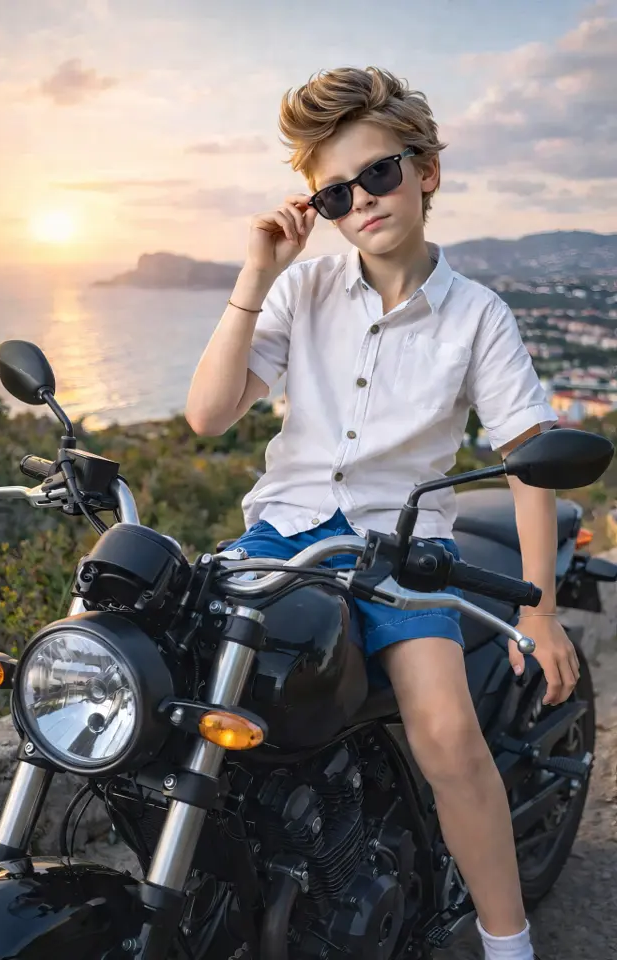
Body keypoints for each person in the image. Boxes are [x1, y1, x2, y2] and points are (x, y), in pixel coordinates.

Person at [186, 65, 578, 960]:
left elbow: (527, 464)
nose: (359, 200)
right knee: (181, 683)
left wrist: (541, 612)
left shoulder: (480, 314)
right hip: (280, 536)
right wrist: (256, 272)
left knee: (446, 732)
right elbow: (209, 414)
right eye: (333, 192)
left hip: (402, 553)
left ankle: (507, 942)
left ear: (427, 171)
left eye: (379, 174)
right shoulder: (302, 289)